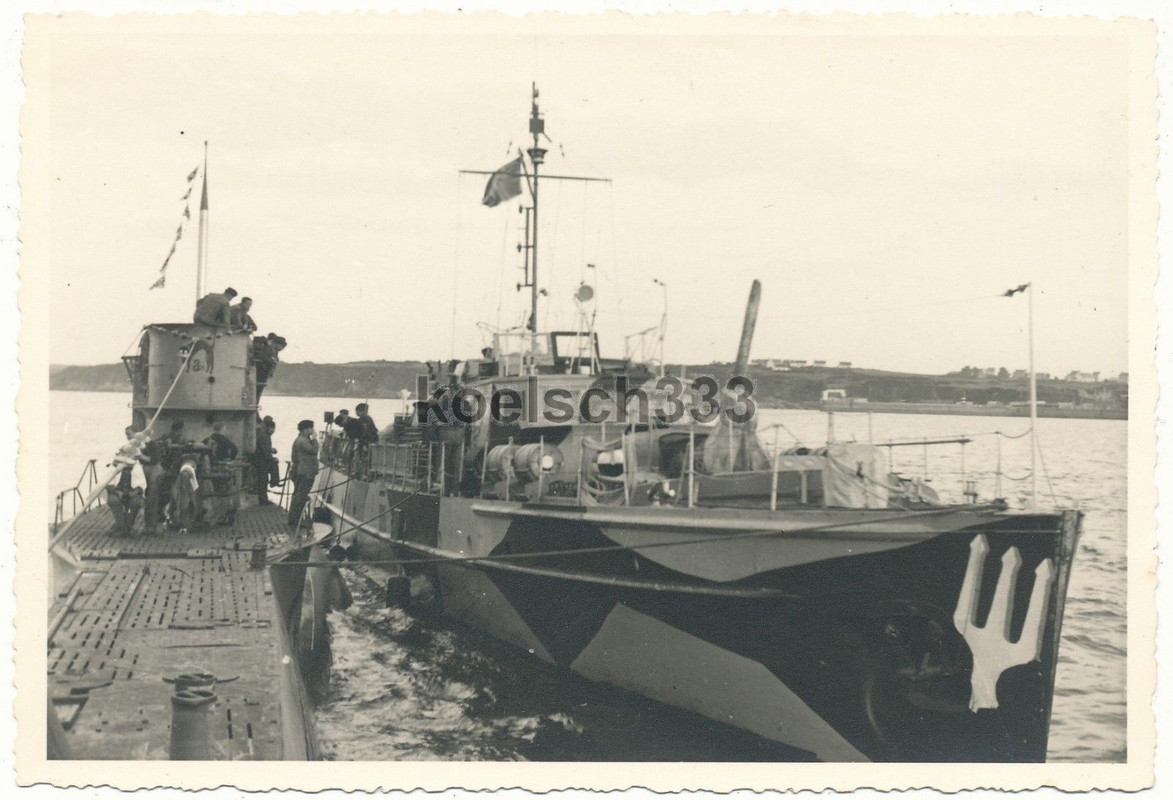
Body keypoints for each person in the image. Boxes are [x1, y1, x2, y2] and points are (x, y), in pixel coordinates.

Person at [287, 419, 319, 528]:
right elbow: (314, 450)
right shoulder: (303, 441)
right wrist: (314, 439)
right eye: (311, 428)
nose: (312, 430)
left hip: (302, 470)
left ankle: (293, 519)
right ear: (306, 429)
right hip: (306, 472)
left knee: (298, 495)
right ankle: (297, 521)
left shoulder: (300, 440)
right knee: (301, 496)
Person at [252, 417, 277, 505]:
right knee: (263, 480)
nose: (273, 431)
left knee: (263, 480)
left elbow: (265, 449)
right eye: (273, 429)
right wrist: (271, 458)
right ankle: (263, 499)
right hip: (261, 462)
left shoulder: (263, 435)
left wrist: (270, 450)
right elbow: (265, 452)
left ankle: (264, 497)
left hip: (260, 460)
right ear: (269, 428)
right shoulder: (264, 436)